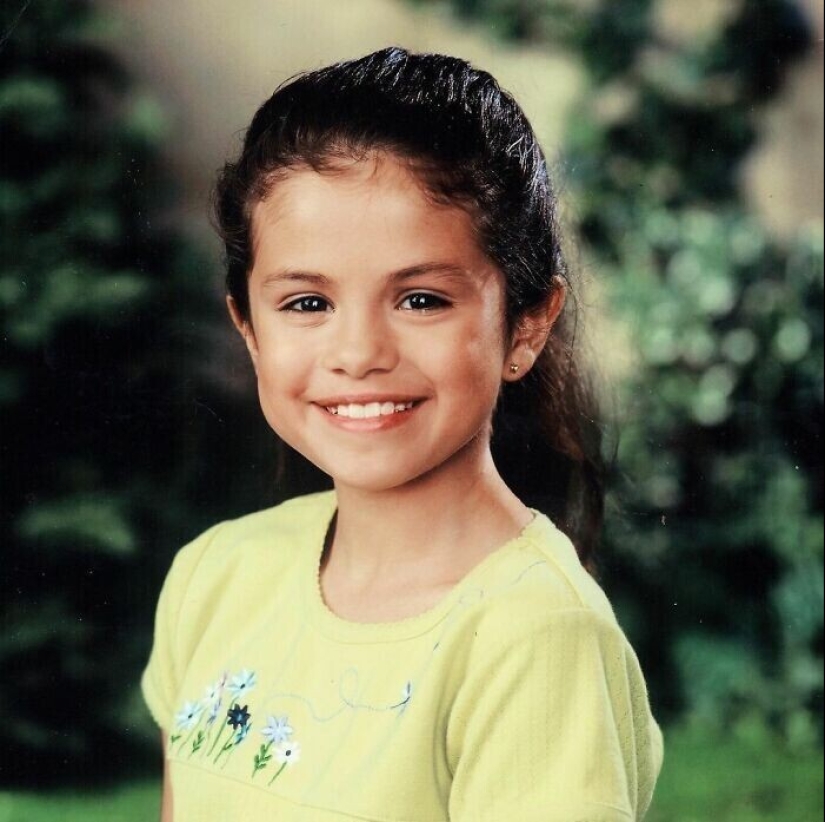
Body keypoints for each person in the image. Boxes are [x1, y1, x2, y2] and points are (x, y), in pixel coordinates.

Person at [142, 47, 664, 821]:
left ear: (525, 325)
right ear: (247, 327)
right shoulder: (215, 577)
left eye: (420, 300)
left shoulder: (533, 638)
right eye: (306, 304)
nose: (357, 354)